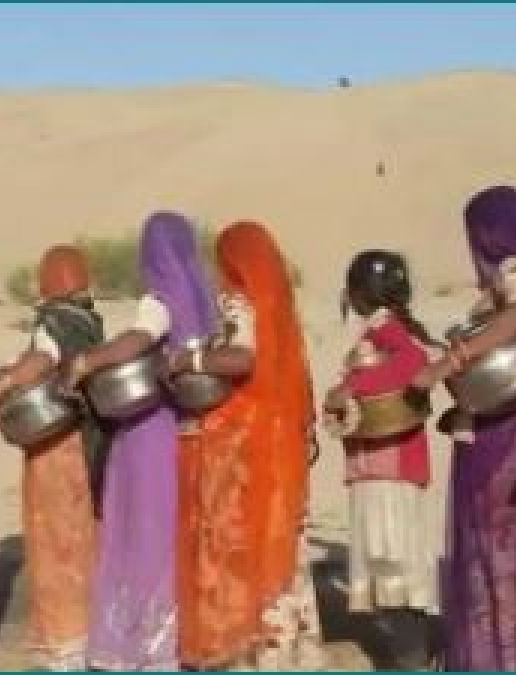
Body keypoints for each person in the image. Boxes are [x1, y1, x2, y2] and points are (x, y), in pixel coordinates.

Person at [413, 186, 516, 671]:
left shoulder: (513, 271)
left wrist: (449, 363)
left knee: (498, 542)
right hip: (501, 417)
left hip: (508, 429)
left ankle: (500, 653)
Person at [66, 211, 221, 671]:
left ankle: (141, 643)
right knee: (177, 529)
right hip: (188, 425)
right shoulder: (205, 301)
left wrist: (86, 363)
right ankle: (181, 635)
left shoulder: (160, 301)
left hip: (148, 431)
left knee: (143, 530)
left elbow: (136, 341)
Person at [175, 221, 323, 670]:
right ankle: (287, 642)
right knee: (280, 532)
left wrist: (194, 359)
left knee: (242, 538)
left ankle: (247, 643)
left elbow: (243, 357)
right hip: (280, 436)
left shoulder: (240, 302)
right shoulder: (281, 308)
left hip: (244, 439)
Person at [0, 245, 104, 671]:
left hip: (55, 447)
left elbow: (42, 359)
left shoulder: (55, 322)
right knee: (85, 538)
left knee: (56, 544)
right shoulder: (90, 320)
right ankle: (91, 633)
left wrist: (0, 387)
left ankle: (67, 643)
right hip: (89, 443)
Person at [324, 250, 441, 670]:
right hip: (375, 466)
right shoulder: (379, 330)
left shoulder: (389, 332)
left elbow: (412, 365)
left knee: (393, 559)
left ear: (357, 294)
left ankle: (412, 655)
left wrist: (349, 387)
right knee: (387, 559)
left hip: (390, 469)